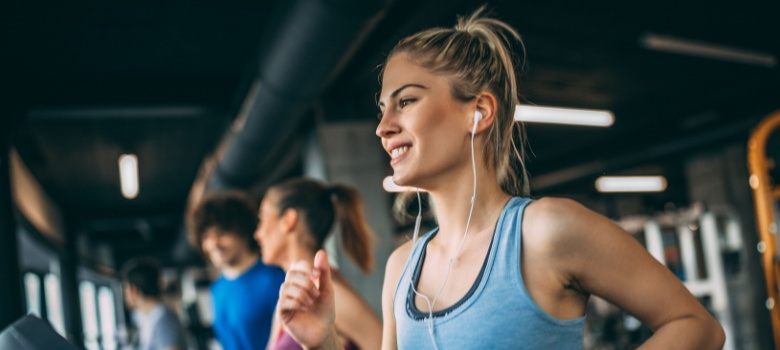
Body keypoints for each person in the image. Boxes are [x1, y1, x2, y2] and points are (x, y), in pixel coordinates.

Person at [275, 7, 726, 350]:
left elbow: (697, 327)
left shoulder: (546, 232)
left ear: (479, 111)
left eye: (406, 101)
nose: (383, 126)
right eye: (382, 109)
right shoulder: (402, 268)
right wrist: (326, 341)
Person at [253, 178, 382, 350]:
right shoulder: (290, 296)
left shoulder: (332, 296)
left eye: (262, 219)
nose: (257, 234)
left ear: (288, 220)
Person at [189, 191, 285, 350]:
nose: (214, 244)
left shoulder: (275, 278)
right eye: (206, 237)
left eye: (221, 233)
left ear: (244, 231)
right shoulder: (217, 288)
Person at [121, 258, 188, 350]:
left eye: (125, 289)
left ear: (133, 290)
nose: (124, 295)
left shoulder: (163, 318)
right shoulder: (143, 316)